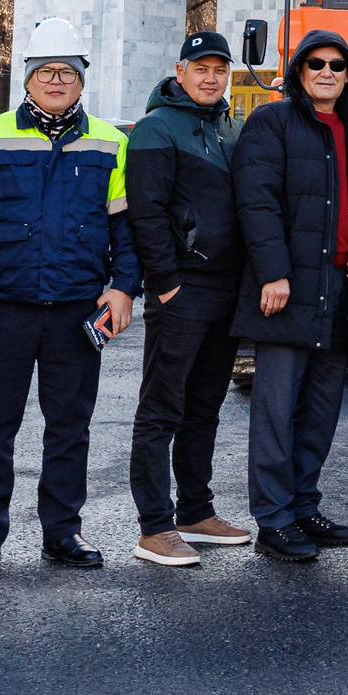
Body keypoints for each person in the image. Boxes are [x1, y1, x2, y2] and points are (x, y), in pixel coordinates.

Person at [0, 17, 137, 575]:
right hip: (6, 306)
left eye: (67, 73)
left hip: (78, 308)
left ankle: (62, 533)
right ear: (28, 78)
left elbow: (127, 229)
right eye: (47, 72)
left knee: (70, 425)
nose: (56, 82)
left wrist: (123, 288)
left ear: (81, 81)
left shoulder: (110, 142)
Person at [230, 28, 348, 562]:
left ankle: (303, 506)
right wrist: (274, 272)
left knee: (320, 411)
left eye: (337, 65)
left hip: (341, 294)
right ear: (299, 72)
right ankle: (273, 520)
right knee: (276, 410)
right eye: (316, 64)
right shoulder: (271, 123)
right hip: (288, 291)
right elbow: (256, 204)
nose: (327, 73)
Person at [120, 30, 256, 568]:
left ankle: (195, 512)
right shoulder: (157, 129)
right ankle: (154, 526)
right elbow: (146, 213)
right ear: (180, 72)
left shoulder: (229, 127)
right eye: (200, 68)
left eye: (219, 69)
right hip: (183, 290)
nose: (210, 77)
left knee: (205, 407)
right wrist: (166, 281)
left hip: (226, 289)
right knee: (162, 408)